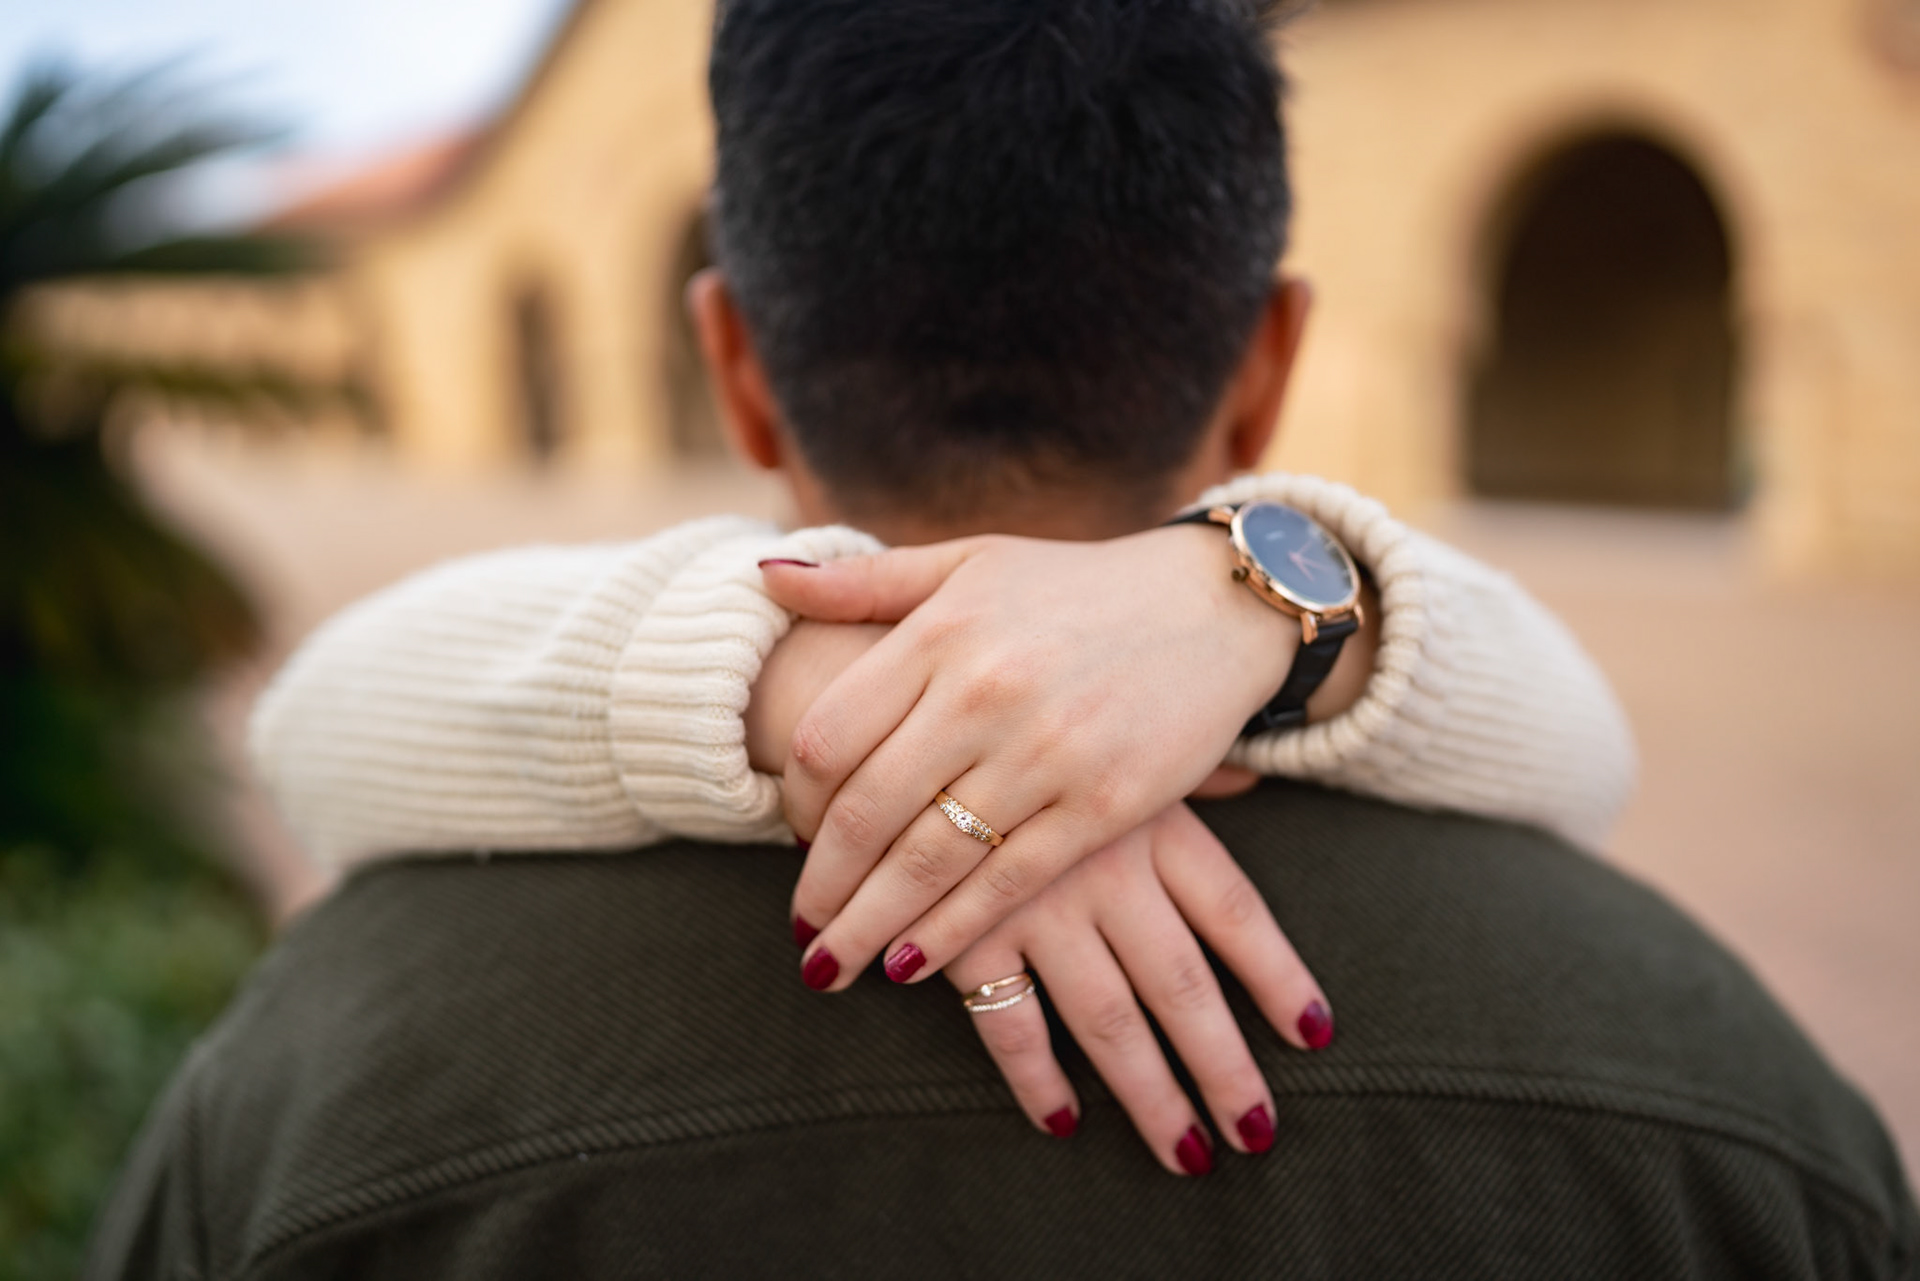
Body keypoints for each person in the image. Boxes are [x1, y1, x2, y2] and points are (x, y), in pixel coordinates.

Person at [87, 0, 1917, 1276]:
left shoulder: (314, 1068)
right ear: (1271, 360)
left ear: (734, 361)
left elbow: (304, 727)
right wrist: (1276, 596)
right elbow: (1589, 754)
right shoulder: (1733, 1081)